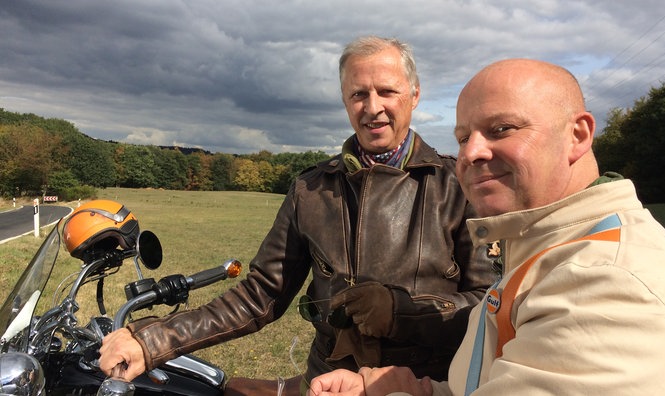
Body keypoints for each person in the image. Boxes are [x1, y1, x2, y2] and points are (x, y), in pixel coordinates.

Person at [99, 36, 495, 394]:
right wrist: (154, 340)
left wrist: (400, 313)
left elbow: (488, 309)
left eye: (387, 91)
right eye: (359, 94)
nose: (373, 107)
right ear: (344, 100)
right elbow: (261, 295)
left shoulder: (457, 184)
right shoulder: (310, 188)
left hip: (420, 385)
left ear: (413, 94)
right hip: (327, 382)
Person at [308, 58, 665, 395]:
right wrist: (414, 387)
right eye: (464, 137)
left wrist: (401, 317)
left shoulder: (603, 285)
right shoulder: (544, 249)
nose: (471, 153)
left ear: (578, 135)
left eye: (502, 130)